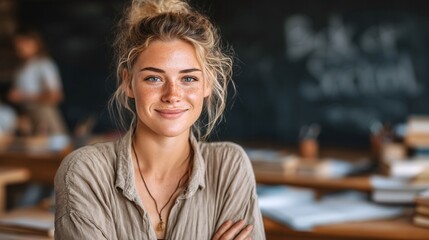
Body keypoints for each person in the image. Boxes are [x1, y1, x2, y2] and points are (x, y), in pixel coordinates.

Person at [54, 0, 265, 239]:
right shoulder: (85, 171)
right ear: (128, 82)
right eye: (154, 78)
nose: (172, 95)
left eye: (188, 79)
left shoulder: (229, 166)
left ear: (207, 83)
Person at [8, 27, 67, 136]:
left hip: (44, 115)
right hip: (27, 117)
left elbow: (55, 96)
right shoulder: (19, 69)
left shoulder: (44, 64)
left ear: (36, 43)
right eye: (18, 43)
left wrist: (23, 97)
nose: (20, 46)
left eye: (25, 42)